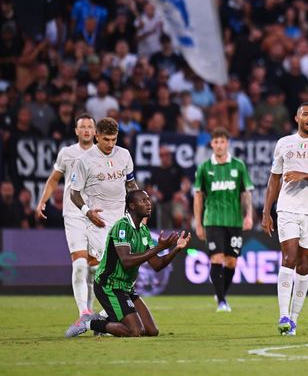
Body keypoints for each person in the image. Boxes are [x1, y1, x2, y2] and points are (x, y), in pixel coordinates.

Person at [65, 190, 191, 337]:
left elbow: (156, 265)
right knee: (135, 331)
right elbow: (126, 261)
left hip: (127, 288)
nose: (148, 203)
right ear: (131, 206)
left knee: (152, 331)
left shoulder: (143, 231)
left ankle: (105, 320)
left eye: (148, 200)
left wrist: (176, 249)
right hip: (109, 286)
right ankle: (88, 323)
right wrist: (158, 248)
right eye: (143, 201)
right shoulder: (122, 227)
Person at [262, 102, 308, 336]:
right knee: (289, 258)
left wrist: (304, 174)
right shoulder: (284, 144)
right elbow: (274, 179)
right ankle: (283, 315)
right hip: (287, 209)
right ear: (297, 118)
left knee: (304, 266)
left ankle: (293, 319)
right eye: (306, 114)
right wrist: (266, 212)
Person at [35, 114, 101, 329]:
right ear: (76, 131)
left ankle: (89, 316)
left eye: (90, 127)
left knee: (93, 269)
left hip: (96, 216)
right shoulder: (67, 153)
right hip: (73, 214)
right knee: (80, 265)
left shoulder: (102, 153)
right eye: (82, 127)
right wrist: (43, 201)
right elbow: (54, 179)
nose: (86, 130)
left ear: (94, 131)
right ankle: (83, 312)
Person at [194, 127, 254, 312]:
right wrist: (198, 223)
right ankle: (221, 301)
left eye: (222, 142)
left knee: (231, 262)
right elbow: (198, 196)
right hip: (212, 219)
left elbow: (245, 193)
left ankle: (221, 294)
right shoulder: (204, 167)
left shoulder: (238, 165)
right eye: (216, 142)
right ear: (211, 144)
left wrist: (249, 215)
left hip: (234, 220)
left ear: (227, 143)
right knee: (217, 258)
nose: (219, 145)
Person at [69, 117, 138, 266]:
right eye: (106, 139)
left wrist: (139, 207)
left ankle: (111, 287)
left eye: (114, 139)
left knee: (125, 262)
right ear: (97, 135)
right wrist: (87, 212)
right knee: (108, 260)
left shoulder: (124, 155)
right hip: (98, 220)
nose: (110, 144)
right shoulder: (83, 161)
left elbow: (131, 184)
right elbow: (74, 193)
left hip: (122, 218)